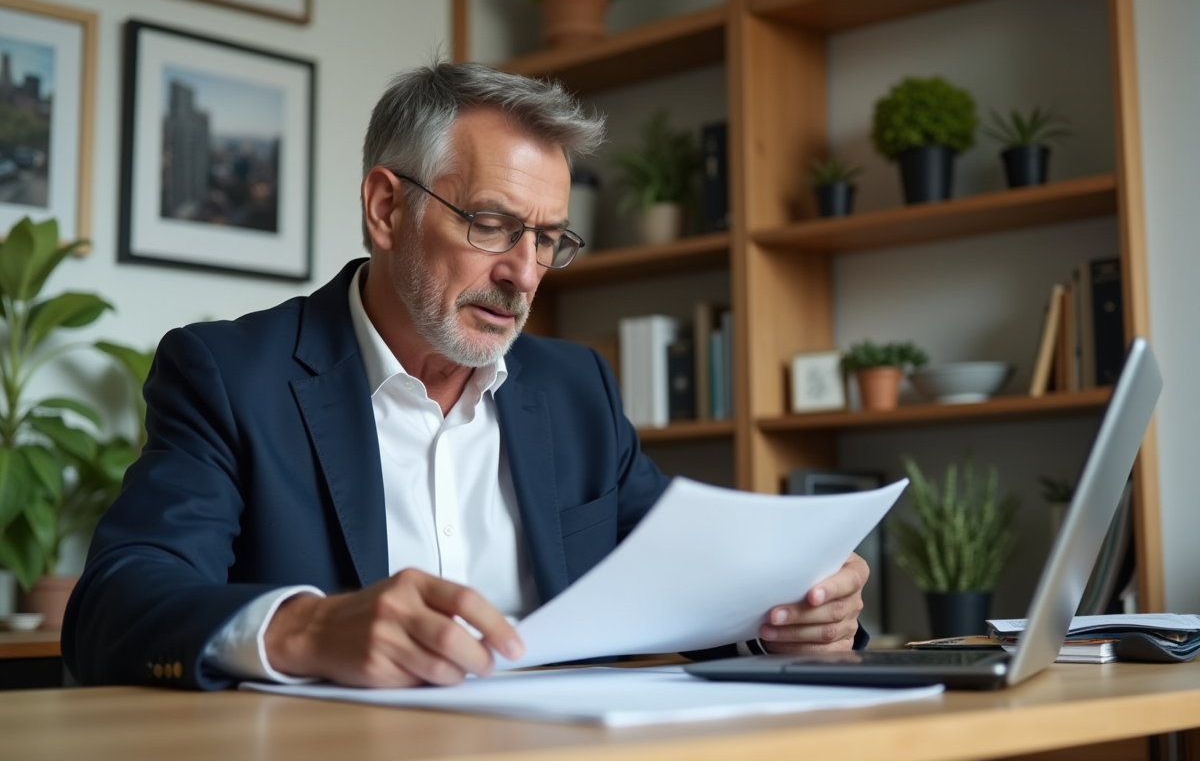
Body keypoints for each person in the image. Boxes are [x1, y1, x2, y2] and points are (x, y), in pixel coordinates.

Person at [62, 62, 869, 690]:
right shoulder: (232, 375)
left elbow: (688, 580)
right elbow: (117, 604)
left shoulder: (576, 387)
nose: (524, 273)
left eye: (549, 239)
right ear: (386, 209)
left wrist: (791, 615)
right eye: (491, 224)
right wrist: (310, 630)